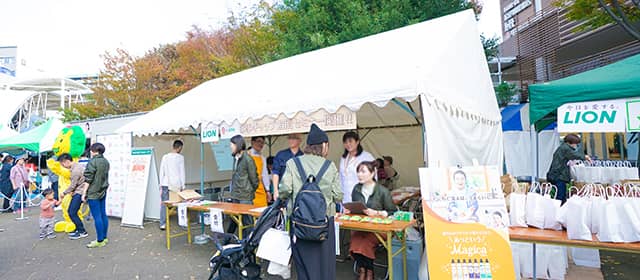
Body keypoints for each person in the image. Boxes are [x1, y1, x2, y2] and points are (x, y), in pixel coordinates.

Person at [280, 124, 343, 280]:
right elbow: (338, 195)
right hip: (324, 224)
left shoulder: (293, 163)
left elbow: (284, 190)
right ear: (323, 145)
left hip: (299, 223)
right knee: (324, 266)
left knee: (303, 267)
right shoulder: (330, 166)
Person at [346, 161, 397, 280]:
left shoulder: (383, 191)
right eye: (358, 171)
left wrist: (377, 213)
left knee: (364, 243)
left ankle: (369, 272)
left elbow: (393, 212)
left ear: (373, 173)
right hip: (363, 227)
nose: (359, 174)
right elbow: (356, 207)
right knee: (354, 242)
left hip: (379, 228)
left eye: (363, 171)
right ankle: (363, 270)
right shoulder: (356, 189)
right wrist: (351, 210)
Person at [226, 135, 259, 237]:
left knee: (247, 223)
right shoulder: (235, 158)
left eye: (232, 144)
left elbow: (254, 179)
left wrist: (249, 190)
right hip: (236, 195)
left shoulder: (248, 160)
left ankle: (247, 245)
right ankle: (228, 239)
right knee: (234, 219)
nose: (230, 146)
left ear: (237, 145)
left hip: (245, 196)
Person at [546, 133, 590, 203]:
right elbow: (574, 155)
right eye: (576, 143)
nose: (576, 146)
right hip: (559, 176)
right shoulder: (565, 148)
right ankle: (558, 211)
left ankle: (560, 210)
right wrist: (585, 157)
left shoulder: (562, 147)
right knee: (560, 197)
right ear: (570, 143)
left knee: (561, 196)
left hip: (556, 175)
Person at [82, 143, 110, 248]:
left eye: (91, 150)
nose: (90, 152)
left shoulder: (92, 162)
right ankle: (104, 237)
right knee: (103, 214)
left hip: (93, 192)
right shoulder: (106, 162)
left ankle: (99, 240)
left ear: (94, 151)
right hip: (103, 190)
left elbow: (88, 179)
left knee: (97, 216)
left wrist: (84, 192)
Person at [58, 153, 88, 240]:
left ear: (66, 161)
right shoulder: (77, 167)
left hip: (79, 193)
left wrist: (64, 193)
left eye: (62, 164)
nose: (63, 166)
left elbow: (73, 185)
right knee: (73, 211)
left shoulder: (75, 171)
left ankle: (82, 231)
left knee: (71, 212)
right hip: (78, 192)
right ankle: (79, 229)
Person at [340, 131, 374, 203]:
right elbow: (341, 177)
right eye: (345, 142)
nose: (348, 144)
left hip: (363, 196)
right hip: (346, 197)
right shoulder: (343, 158)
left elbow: (374, 178)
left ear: (357, 142)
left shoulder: (367, 157)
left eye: (350, 141)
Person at [158, 140, 185, 230]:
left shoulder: (165, 157)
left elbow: (161, 171)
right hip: (176, 185)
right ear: (179, 147)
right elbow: (182, 172)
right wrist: (183, 185)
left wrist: (160, 183)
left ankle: (162, 223)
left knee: (164, 204)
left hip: (165, 183)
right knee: (179, 203)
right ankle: (182, 222)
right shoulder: (180, 157)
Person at [272, 134, 303, 200]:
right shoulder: (281, 155)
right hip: (283, 191)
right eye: (289, 138)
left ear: (300, 140)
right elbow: (275, 173)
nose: (291, 140)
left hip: (298, 192)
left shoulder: (303, 157)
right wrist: (275, 190)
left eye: (294, 138)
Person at [247, 136, 271, 206]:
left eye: (263, 142)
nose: (260, 144)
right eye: (258, 141)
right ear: (252, 142)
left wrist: (268, 191)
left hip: (260, 188)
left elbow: (265, 175)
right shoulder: (245, 156)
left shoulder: (262, 158)